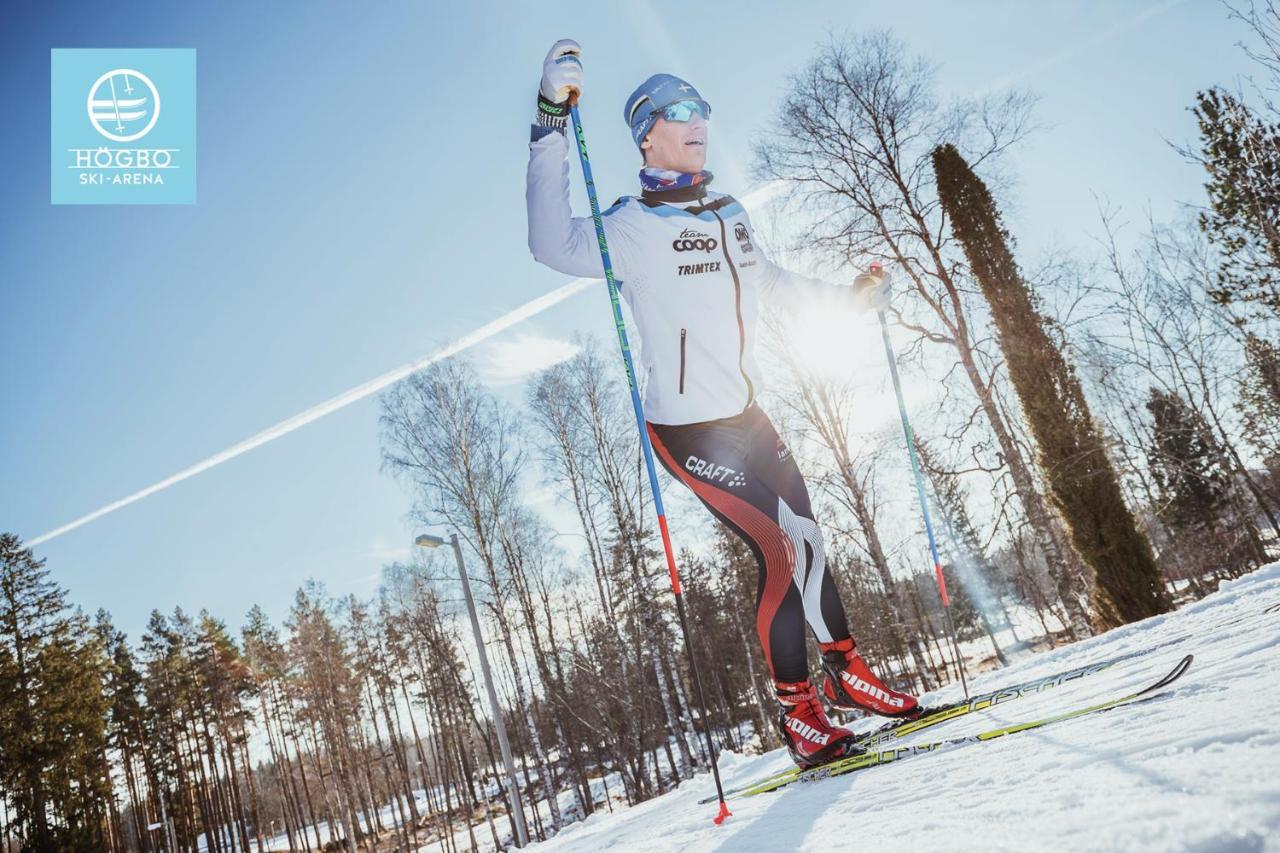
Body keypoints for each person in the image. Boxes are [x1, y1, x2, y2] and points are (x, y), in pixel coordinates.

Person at [526, 39, 919, 770]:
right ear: (648, 132)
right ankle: (798, 712)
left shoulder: (731, 213)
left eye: (700, 107)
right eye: (677, 111)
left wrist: (853, 301)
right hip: (686, 428)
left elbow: (771, 282)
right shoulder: (636, 227)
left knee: (812, 535)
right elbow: (550, 242)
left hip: (747, 414)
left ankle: (850, 673)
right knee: (778, 543)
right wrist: (551, 117)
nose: (696, 119)